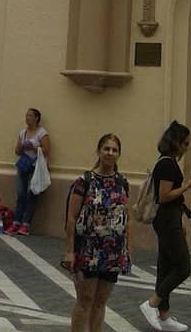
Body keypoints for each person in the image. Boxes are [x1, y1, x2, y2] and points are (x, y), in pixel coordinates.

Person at [64, 133, 131, 332]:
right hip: (88, 250)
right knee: (85, 300)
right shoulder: (84, 181)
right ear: (99, 151)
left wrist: (127, 249)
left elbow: (127, 218)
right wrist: (69, 251)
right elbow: (71, 218)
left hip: (112, 252)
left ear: (119, 154)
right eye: (106, 148)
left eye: (114, 150)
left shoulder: (122, 182)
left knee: (101, 302)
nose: (110, 153)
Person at [140, 121, 191, 332]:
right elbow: (164, 197)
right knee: (182, 267)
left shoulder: (169, 162)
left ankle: (164, 316)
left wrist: (180, 221)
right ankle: (152, 303)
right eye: (185, 143)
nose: (187, 147)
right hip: (166, 220)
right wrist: (186, 187)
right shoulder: (167, 164)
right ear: (175, 142)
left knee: (165, 267)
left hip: (170, 218)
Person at [12, 107, 50, 236]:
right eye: (26, 115)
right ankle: (16, 221)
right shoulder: (23, 132)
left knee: (31, 193)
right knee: (20, 193)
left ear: (36, 118)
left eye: (30, 116)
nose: (27, 118)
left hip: (34, 166)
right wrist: (21, 146)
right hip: (23, 165)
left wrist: (34, 147)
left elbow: (46, 150)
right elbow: (17, 151)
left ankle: (26, 224)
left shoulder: (42, 133)